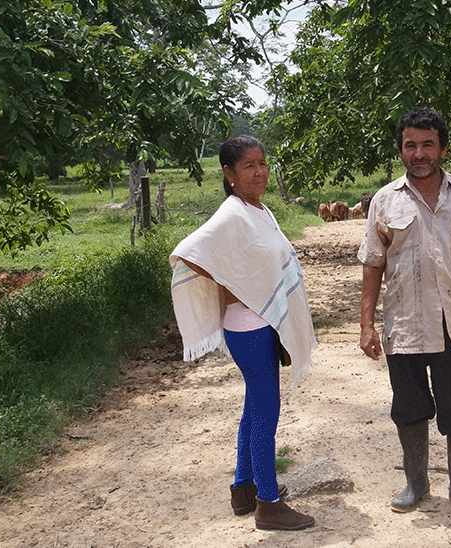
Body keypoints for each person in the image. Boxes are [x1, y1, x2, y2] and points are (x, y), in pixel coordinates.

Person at [358, 107, 451, 518]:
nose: (419, 153)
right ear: (401, 150)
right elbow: (372, 263)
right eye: (410, 145)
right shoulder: (384, 200)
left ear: (443, 149)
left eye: (427, 144)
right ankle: (416, 484)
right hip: (404, 323)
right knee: (408, 405)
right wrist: (366, 324)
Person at [169, 135, 316, 531]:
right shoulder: (231, 214)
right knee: (266, 412)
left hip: (259, 325)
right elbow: (189, 252)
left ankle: (243, 488)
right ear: (229, 173)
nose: (260, 172)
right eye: (249, 165)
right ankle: (268, 504)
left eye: (263, 163)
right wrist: (232, 282)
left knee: (255, 407)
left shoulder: (258, 209)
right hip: (248, 329)